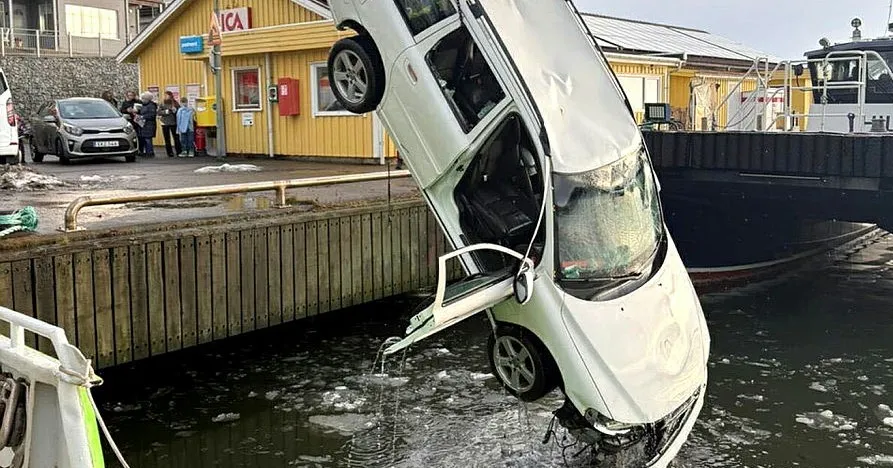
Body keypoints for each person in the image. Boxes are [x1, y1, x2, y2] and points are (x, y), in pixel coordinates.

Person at [137, 91, 158, 157]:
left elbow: (152, 115)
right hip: (143, 124)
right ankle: (146, 152)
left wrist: (142, 116)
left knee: (148, 139)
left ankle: (150, 152)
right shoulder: (143, 105)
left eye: (143, 98)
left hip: (149, 125)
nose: (142, 100)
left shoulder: (151, 106)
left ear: (147, 99)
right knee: (145, 139)